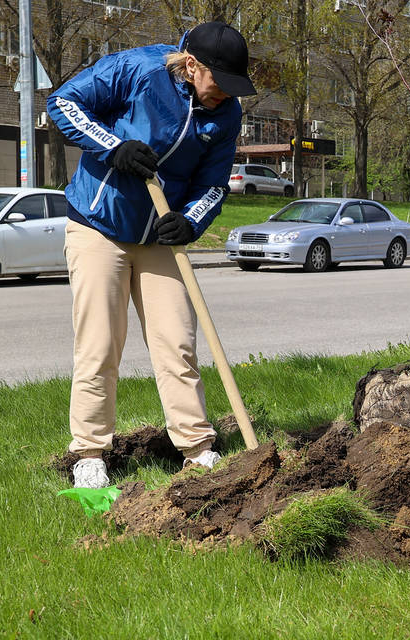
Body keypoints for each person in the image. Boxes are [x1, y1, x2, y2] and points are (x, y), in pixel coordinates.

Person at [47, 22, 257, 489]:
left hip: (161, 238)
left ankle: (197, 449)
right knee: (100, 344)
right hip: (99, 225)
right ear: (192, 65)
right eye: (219, 82)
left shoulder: (226, 113)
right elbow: (63, 102)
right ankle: (89, 454)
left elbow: (213, 185)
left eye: (232, 86)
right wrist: (113, 146)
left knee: (176, 342)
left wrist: (190, 221)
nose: (224, 94)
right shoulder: (138, 69)